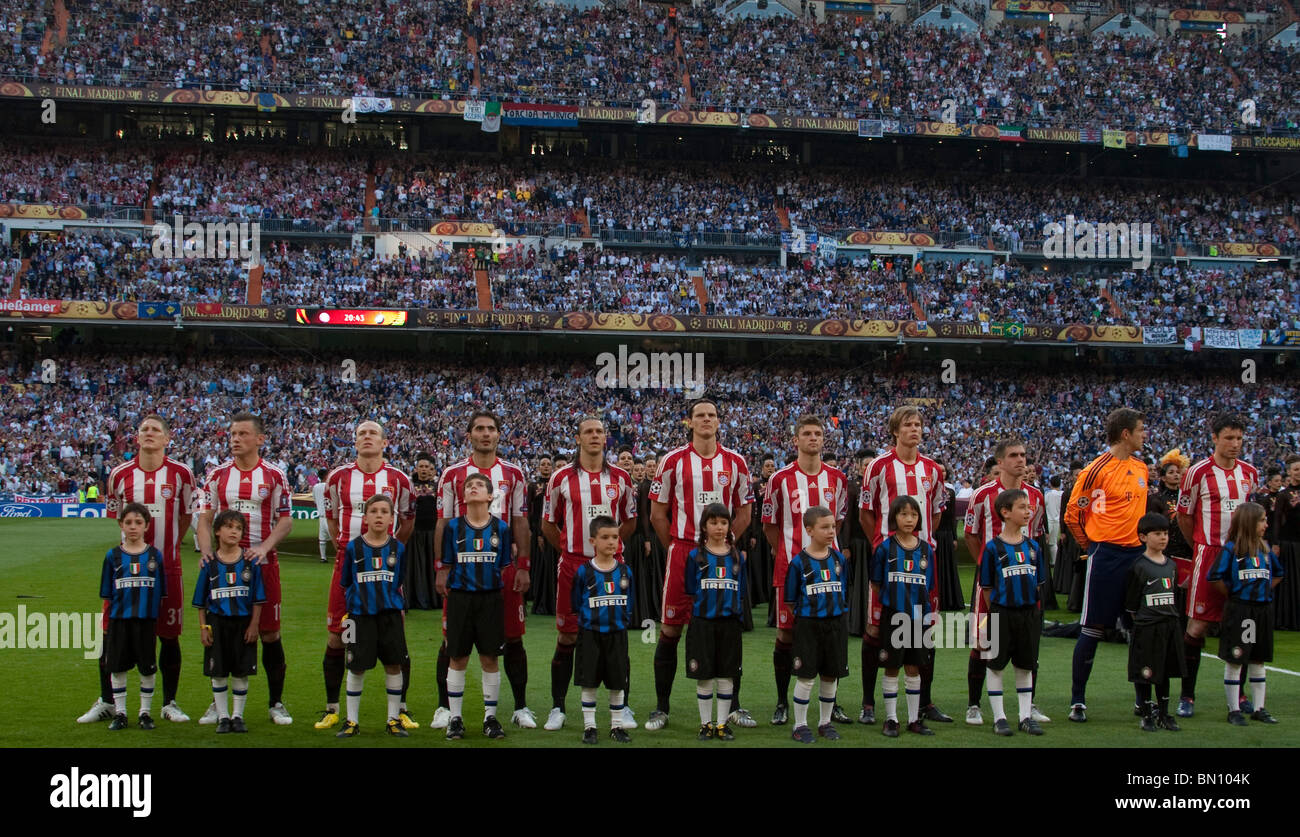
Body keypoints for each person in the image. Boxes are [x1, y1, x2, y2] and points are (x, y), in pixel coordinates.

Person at [80, 415, 196, 726]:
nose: (149, 433)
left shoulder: (182, 474)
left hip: (166, 567)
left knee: (168, 636)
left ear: (166, 438)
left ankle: (169, 702)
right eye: (144, 429)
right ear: (136, 437)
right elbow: (115, 516)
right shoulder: (119, 474)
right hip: (125, 570)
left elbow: (185, 517)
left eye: (155, 429)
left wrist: (165, 548)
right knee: (110, 634)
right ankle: (107, 701)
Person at [646, 398, 753, 731]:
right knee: (670, 630)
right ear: (689, 422)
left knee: (725, 629)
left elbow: (745, 513)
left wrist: (720, 545)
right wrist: (681, 549)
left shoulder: (736, 462)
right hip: (683, 552)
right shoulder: (672, 461)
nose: (707, 419)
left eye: (712, 415)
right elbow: (657, 514)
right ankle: (661, 707)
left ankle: (732, 706)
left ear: (719, 421)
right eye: (700, 415)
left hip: (721, 559)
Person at [432, 411, 534, 730]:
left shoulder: (514, 473)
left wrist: (523, 566)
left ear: (499, 435)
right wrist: (441, 567)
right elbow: (442, 523)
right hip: (462, 570)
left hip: (500, 568)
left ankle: (520, 707)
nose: (485, 434)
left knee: (513, 638)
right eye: (479, 428)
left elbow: (520, 522)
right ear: (470, 435)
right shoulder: (452, 474)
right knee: (452, 641)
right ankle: (445, 709)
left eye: (491, 429)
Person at [194, 413, 294, 726]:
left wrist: (264, 548)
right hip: (223, 570)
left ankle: (276, 702)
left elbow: (286, 519)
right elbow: (204, 519)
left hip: (262, 567)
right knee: (222, 632)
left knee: (269, 633)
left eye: (242, 434)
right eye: (232, 434)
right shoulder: (217, 475)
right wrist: (207, 551)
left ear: (260, 439)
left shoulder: (274, 475)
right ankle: (218, 704)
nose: (235, 439)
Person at [316, 421, 414, 731]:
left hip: (385, 567)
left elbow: (408, 521)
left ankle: (401, 710)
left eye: (373, 433)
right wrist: (346, 548)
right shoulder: (338, 478)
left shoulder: (399, 479)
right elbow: (332, 521)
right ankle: (333, 708)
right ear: (355, 442)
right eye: (362, 433)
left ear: (385, 442)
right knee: (339, 635)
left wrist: (388, 551)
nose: (367, 437)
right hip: (350, 563)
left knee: (395, 639)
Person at [540, 416, 637, 731]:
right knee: (568, 634)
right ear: (578, 438)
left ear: (606, 438)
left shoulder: (621, 478)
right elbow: (548, 523)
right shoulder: (560, 478)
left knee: (615, 635)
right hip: (573, 565)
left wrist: (609, 549)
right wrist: (572, 551)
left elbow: (631, 521)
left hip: (611, 569)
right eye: (588, 432)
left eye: (599, 432)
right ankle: (558, 707)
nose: (595, 436)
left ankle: (623, 709)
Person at [857, 406, 948, 725]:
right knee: (875, 629)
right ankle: (868, 703)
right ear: (895, 430)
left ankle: (925, 703)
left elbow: (936, 512)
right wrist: (882, 545)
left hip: (922, 562)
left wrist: (925, 540)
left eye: (919, 424)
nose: (915, 429)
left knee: (924, 630)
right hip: (890, 560)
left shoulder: (933, 470)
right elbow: (865, 512)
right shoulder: (879, 466)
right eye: (908, 424)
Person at [1063, 408, 1148, 722]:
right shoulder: (1095, 470)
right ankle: (1078, 700)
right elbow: (1074, 514)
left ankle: (1142, 700)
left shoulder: (1142, 468)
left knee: (1140, 628)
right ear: (1125, 434)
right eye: (1140, 430)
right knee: (1093, 627)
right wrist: (1093, 548)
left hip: (1137, 558)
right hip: (1106, 556)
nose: (1144, 435)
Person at [762, 415, 847, 726]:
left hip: (828, 571)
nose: (813, 438)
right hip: (791, 567)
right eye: (807, 434)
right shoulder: (779, 479)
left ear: (824, 440)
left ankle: (831, 703)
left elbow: (837, 522)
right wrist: (787, 553)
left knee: (831, 633)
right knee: (786, 634)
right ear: (795, 441)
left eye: (818, 433)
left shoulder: (837, 479)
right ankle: (783, 702)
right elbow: (770, 526)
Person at [1176, 413, 1258, 718]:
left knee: (1242, 624)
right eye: (1228, 438)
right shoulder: (1197, 473)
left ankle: (1240, 694)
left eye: (1239, 438)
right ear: (1214, 438)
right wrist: (1198, 545)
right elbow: (1184, 516)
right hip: (1208, 554)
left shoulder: (1250, 473)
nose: (1235, 444)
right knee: (1197, 626)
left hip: (1241, 557)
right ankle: (1187, 696)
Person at [962, 438, 1048, 725]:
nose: (1021, 460)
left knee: (1029, 644)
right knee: (983, 641)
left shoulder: (1035, 495)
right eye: (1013, 455)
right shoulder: (982, 495)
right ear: (1000, 462)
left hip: (1024, 582)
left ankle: (1028, 705)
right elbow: (971, 534)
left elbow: (1036, 538)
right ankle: (974, 704)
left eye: (1024, 455)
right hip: (990, 585)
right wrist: (988, 568)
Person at [437, 472, 513, 740]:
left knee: (490, 658)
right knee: (457, 657)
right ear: (463, 495)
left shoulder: (501, 528)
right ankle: (455, 718)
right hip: (460, 598)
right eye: (469, 485)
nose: (473, 488)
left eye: (479, 485)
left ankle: (489, 718)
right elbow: (447, 563)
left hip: (490, 599)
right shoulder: (453, 528)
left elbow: (503, 566)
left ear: (490, 496)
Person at [335, 494, 410, 738]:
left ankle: (392, 720)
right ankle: (351, 722)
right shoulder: (353, 547)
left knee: (393, 664)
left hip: (389, 616)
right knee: (355, 667)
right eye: (374, 511)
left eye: (384, 512)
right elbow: (346, 582)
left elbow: (398, 581)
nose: (379, 515)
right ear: (365, 517)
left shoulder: (398, 548)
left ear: (392, 518)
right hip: (358, 617)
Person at [192, 509, 265, 734]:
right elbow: (200, 602)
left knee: (241, 671)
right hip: (217, 623)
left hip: (243, 624)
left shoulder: (250, 562)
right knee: (219, 671)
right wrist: (204, 627)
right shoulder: (210, 563)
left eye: (238, 528)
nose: (234, 532)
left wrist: (254, 625)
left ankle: (237, 716)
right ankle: (223, 717)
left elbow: (258, 599)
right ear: (217, 531)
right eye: (229, 527)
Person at [979, 490, 1045, 737]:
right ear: (1005, 512)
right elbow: (987, 587)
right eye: (1022, 507)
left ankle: (1025, 717)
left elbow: (1038, 583)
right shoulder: (993, 548)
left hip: (1028, 614)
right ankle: (999, 717)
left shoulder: (1033, 547)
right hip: (1001, 613)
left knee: (1026, 666)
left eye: (1029, 507)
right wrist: (995, 612)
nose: (1028, 511)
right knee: (996, 665)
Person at [870, 495, 936, 737]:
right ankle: (890, 719)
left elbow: (928, 586)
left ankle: (913, 719)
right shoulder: (885, 548)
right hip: (893, 614)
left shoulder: (927, 549)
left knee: (913, 667)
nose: (909, 519)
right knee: (891, 666)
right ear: (894, 518)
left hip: (918, 616)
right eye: (903, 514)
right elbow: (876, 583)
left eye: (914, 514)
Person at [1212, 502, 1283, 726]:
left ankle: (1259, 708)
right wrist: (1236, 594)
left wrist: (1263, 589)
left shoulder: (1265, 549)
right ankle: (1233, 710)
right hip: (1242, 610)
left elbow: (1279, 573)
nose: (1266, 524)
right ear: (1249, 522)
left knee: (1258, 657)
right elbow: (1215, 577)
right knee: (1237, 657)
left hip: (1263, 610)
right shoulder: (1232, 549)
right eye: (1262, 520)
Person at [784, 506, 849, 744]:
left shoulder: (839, 559)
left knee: (831, 675)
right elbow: (790, 601)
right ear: (809, 530)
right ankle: (800, 725)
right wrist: (810, 615)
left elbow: (843, 588)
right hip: (809, 626)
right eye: (824, 527)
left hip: (836, 624)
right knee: (806, 676)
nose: (831, 531)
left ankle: (825, 722)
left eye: (833, 526)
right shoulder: (799, 563)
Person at [100, 502, 167, 731]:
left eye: (138, 523)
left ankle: (145, 713)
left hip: (145, 621)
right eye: (128, 522)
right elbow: (107, 594)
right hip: (120, 620)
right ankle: (120, 713)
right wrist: (106, 622)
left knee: (147, 668)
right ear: (121, 525)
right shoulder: (113, 556)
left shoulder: (155, 556)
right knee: (117, 667)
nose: (133, 527)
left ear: (146, 526)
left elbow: (161, 591)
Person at [683, 503, 747, 741]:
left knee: (726, 676)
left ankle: (721, 724)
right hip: (703, 623)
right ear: (704, 526)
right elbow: (690, 588)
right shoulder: (695, 556)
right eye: (713, 522)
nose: (719, 527)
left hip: (729, 624)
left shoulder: (737, 556)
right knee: (705, 676)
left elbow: (741, 591)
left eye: (723, 522)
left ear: (729, 526)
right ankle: (705, 724)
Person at [572, 516, 635, 745]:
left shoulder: (625, 571)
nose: (611, 542)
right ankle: (590, 727)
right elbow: (576, 602)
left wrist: (622, 620)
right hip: (590, 634)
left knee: (617, 681)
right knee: (589, 681)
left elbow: (629, 601)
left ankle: (616, 726)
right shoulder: (584, 572)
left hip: (617, 634)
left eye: (615, 537)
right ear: (593, 541)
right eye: (605, 537)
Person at [1124, 512, 1183, 733]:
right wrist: (1141, 621)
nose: (1163, 538)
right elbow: (1131, 603)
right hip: (1147, 626)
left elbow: (1174, 595)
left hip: (1169, 625)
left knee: (1165, 671)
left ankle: (1164, 713)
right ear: (1143, 537)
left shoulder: (1172, 565)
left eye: (1165, 533)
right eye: (1157, 534)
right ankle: (1147, 713)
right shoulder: (1138, 566)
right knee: (1147, 670)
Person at [1270, 454, 1300, 630]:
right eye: (1296, 469)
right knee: (1290, 582)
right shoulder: (1283, 495)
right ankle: (1288, 619)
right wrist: (1275, 543)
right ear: (1289, 472)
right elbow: (1276, 521)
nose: (1299, 472)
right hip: (1289, 544)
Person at [407, 453, 440, 610]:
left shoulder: (438, 486)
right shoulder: (410, 485)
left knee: (431, 566)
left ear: (432, 469)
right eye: (421, 466)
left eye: (427, 467)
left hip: (433, 532)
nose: (424, 469)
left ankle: (434, 598)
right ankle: (416, 599)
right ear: (416, 468)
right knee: (415, 567)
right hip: (414, 532)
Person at [529, 456, 557, 616]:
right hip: (537, 531)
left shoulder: (555, 484)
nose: (546, 467)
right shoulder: (533, 486)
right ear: (538, 467)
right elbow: (531, 511)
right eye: (543, 464)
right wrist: (537, 532)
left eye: (548, 464)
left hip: (552, 528)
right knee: (539, 564)